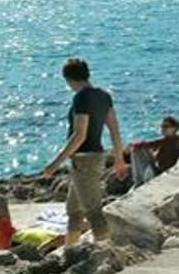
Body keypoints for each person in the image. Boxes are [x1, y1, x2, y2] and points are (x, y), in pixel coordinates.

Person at [42, 58, 128, 246]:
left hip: (83, 160)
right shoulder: (104, 96)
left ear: (69, 79)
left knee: (93, 211)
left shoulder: (81, 97)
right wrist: (119, 160)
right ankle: (70, 251)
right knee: (73, 211)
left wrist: (55, 163)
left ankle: (106, 254)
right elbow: (114, 130)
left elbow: (79, 135)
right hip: (96, 157)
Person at [0, 194, 70, 255]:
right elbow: (54, 242)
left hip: (11, 237)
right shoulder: (6, 237)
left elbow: (55, 242)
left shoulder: (9, 236)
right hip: (12, 238)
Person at [127, 115, 179, 187]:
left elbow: (149, 144)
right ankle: (138, 181)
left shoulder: (167, 141)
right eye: (162, 126)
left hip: (157, 174)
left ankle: (138, 182)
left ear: (175, 128)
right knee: (140, 149)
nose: (163, 129)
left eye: (166, 127)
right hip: (159, 170)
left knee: (136, 150)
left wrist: (132, 145)